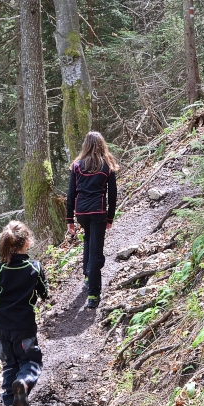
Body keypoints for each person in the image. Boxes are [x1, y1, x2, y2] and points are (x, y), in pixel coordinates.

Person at [0, 220, 49, 406]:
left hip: (2, 328)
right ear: (27, 242)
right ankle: (23, 382)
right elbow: (44, 293)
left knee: (9, 363)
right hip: (24, 327)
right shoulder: (35, 267)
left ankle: (10, 401)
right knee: (31, 361)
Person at [66, 131, 119, 309]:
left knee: (89, 239)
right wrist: (110, 216)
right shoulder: (107, 166)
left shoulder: (77, 166)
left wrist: (70, 219)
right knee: (96, 252)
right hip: (98, 212)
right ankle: (93, 294)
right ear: (102, 145)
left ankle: (88, 275)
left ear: (86, 146)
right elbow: (113, 195)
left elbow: (71, 194)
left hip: (81, 213)